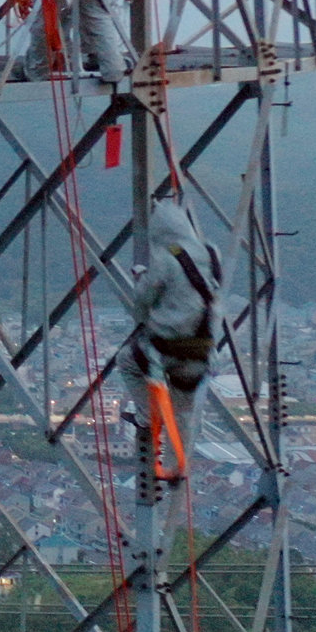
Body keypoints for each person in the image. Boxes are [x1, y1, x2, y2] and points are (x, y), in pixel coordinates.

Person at [119, 196, 223, 481]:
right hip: (202, 349)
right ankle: (180, 466)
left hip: (165, 346)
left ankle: (146, 417)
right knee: (184, 410)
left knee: (126, 361)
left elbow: (143, 299)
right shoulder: (212, 253)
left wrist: (141, 277)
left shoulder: (166, 258)